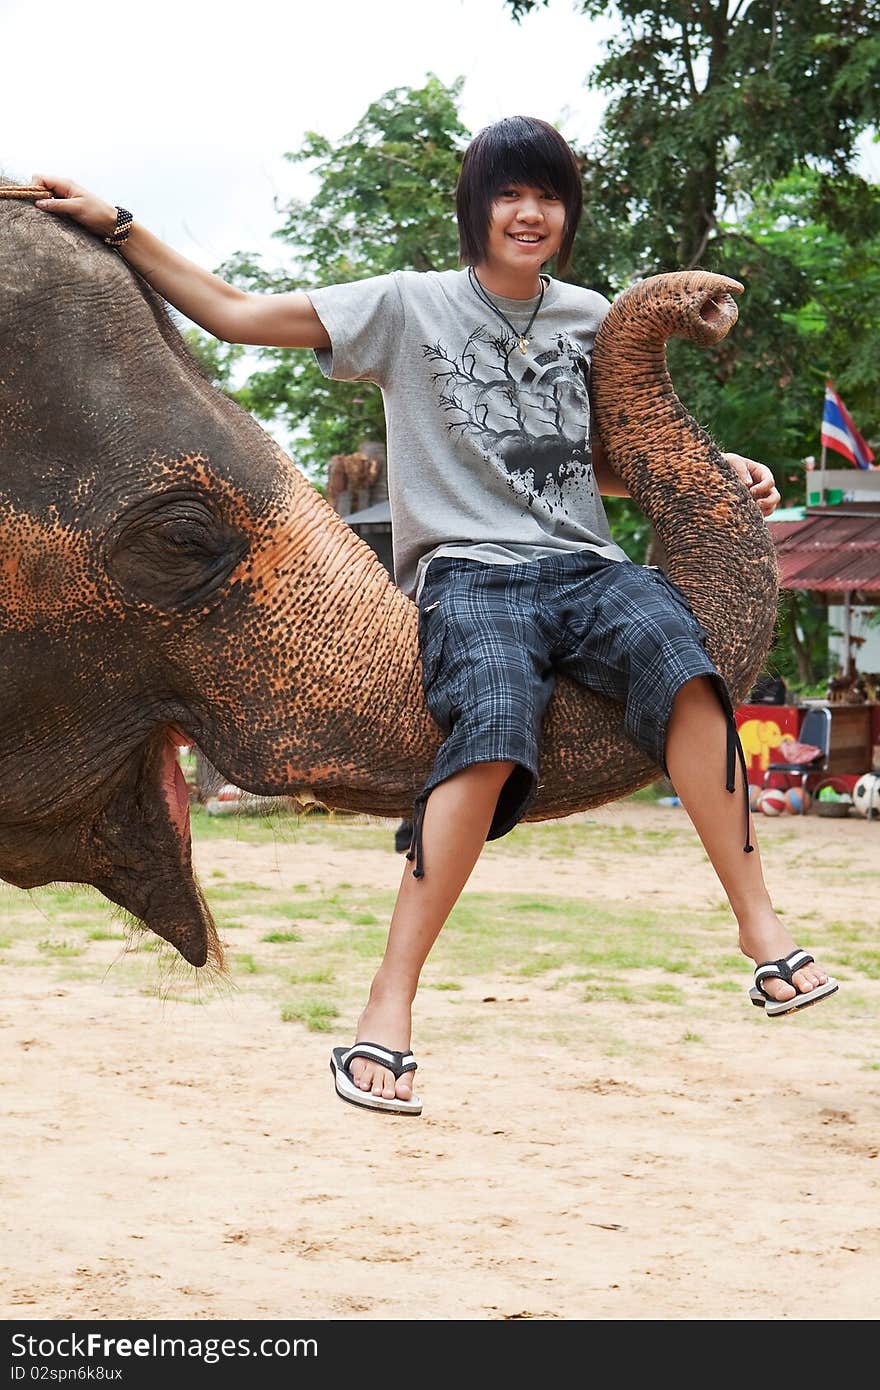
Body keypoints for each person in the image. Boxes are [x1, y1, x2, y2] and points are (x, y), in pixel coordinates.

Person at [34, 116, 837, 1116]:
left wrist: (710, 479)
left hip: (584, 567)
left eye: (547, 196)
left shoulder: (587, 317)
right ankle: (387, 1012)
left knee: (687, 671)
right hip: (468, 577)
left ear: (566, 214)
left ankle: (761, 933)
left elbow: (582, 464)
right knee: (489, 729)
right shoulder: (406, 308)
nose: (529, 212)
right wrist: (121, 226)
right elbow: (233, 313)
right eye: (509, 194)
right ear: (476, 210)